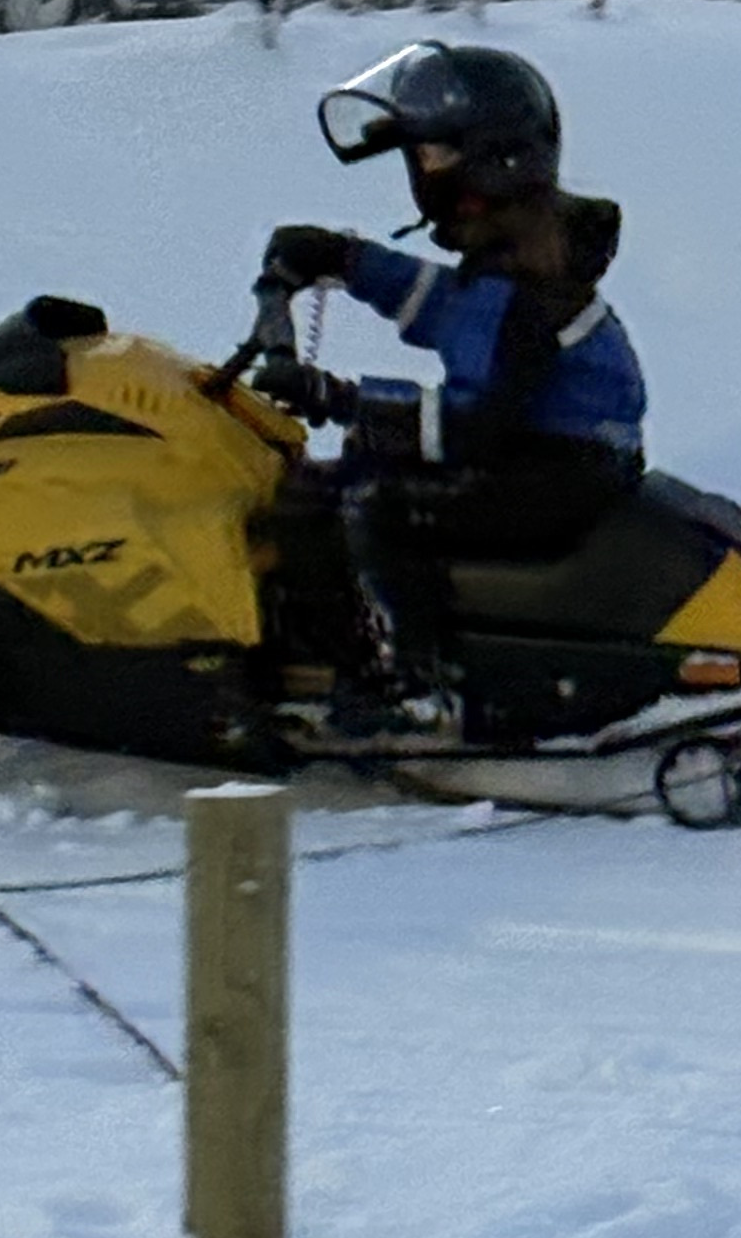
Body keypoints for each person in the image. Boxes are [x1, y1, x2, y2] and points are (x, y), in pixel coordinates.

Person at [257, 41, 645, 729]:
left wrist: (338, 398)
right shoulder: (514, 249)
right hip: (546, 448)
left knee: (373, 505)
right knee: (353, 468)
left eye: (432, 155)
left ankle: (408, 685)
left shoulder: (528, 286)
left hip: (558, 467)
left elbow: (469, 426)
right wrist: (347, 261)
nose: (421, 171)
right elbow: (446, 307)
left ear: (492, 161)